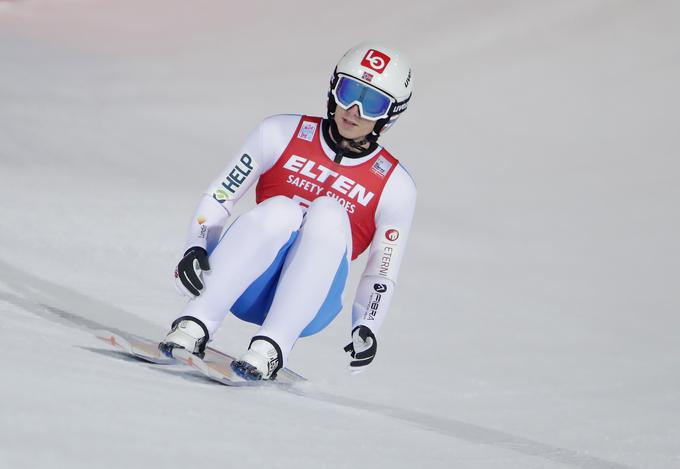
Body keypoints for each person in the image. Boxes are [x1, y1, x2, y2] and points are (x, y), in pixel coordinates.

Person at [159, 42, 417, 381]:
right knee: (282, 210)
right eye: (348, 91)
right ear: (332, 88)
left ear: (390, 114)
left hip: (312, 305)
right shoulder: (279, 132)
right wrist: (197, 246)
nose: (352, 110)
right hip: (246, 282)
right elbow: (222, 194)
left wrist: (367, 322)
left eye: (371, 103)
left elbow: (383, 267)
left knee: (328, 212)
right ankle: (195, 323)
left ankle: (271, 347)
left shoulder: (395, 185)